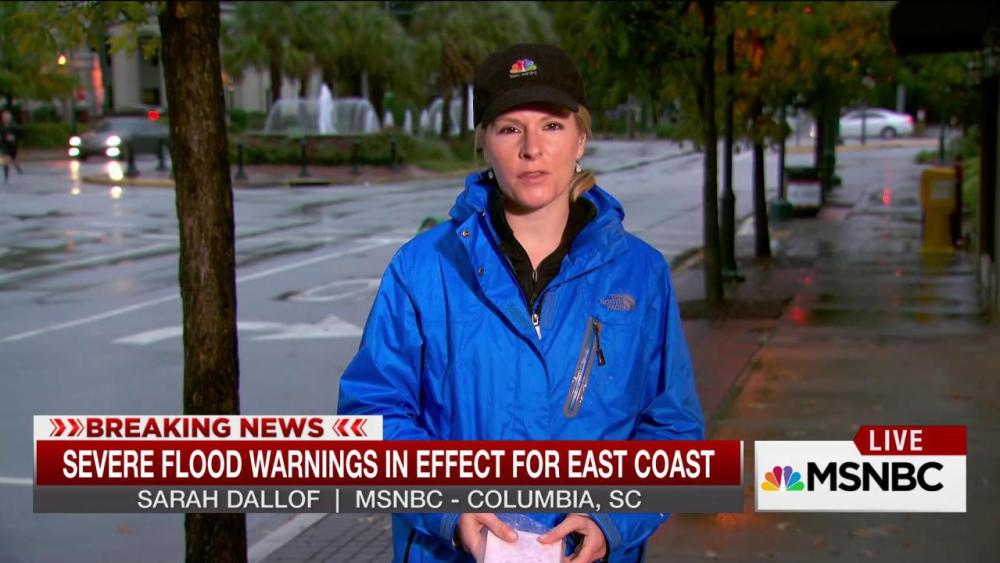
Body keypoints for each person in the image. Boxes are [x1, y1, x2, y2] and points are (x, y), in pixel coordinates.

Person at [338, 43, 704, 562]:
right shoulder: (423, 270)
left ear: (581, 137)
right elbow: (370, 419)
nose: (533, 148)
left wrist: (613, 518)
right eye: (510, 128)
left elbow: (673, 430)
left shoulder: (641, 275)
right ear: (484, 143)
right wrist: (450, 506)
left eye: (552, 125)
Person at [1, 109, 23, 182]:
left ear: (9, 117)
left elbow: (20, 133)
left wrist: (14, 137)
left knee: (14, 159)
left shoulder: (14, 126)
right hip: (5, 146)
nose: (4, 118)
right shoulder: (2, 126)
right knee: (5, 160)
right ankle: (6, 176)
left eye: (6, 117)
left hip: (13, 146)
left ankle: (19, 169)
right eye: (3, 117)